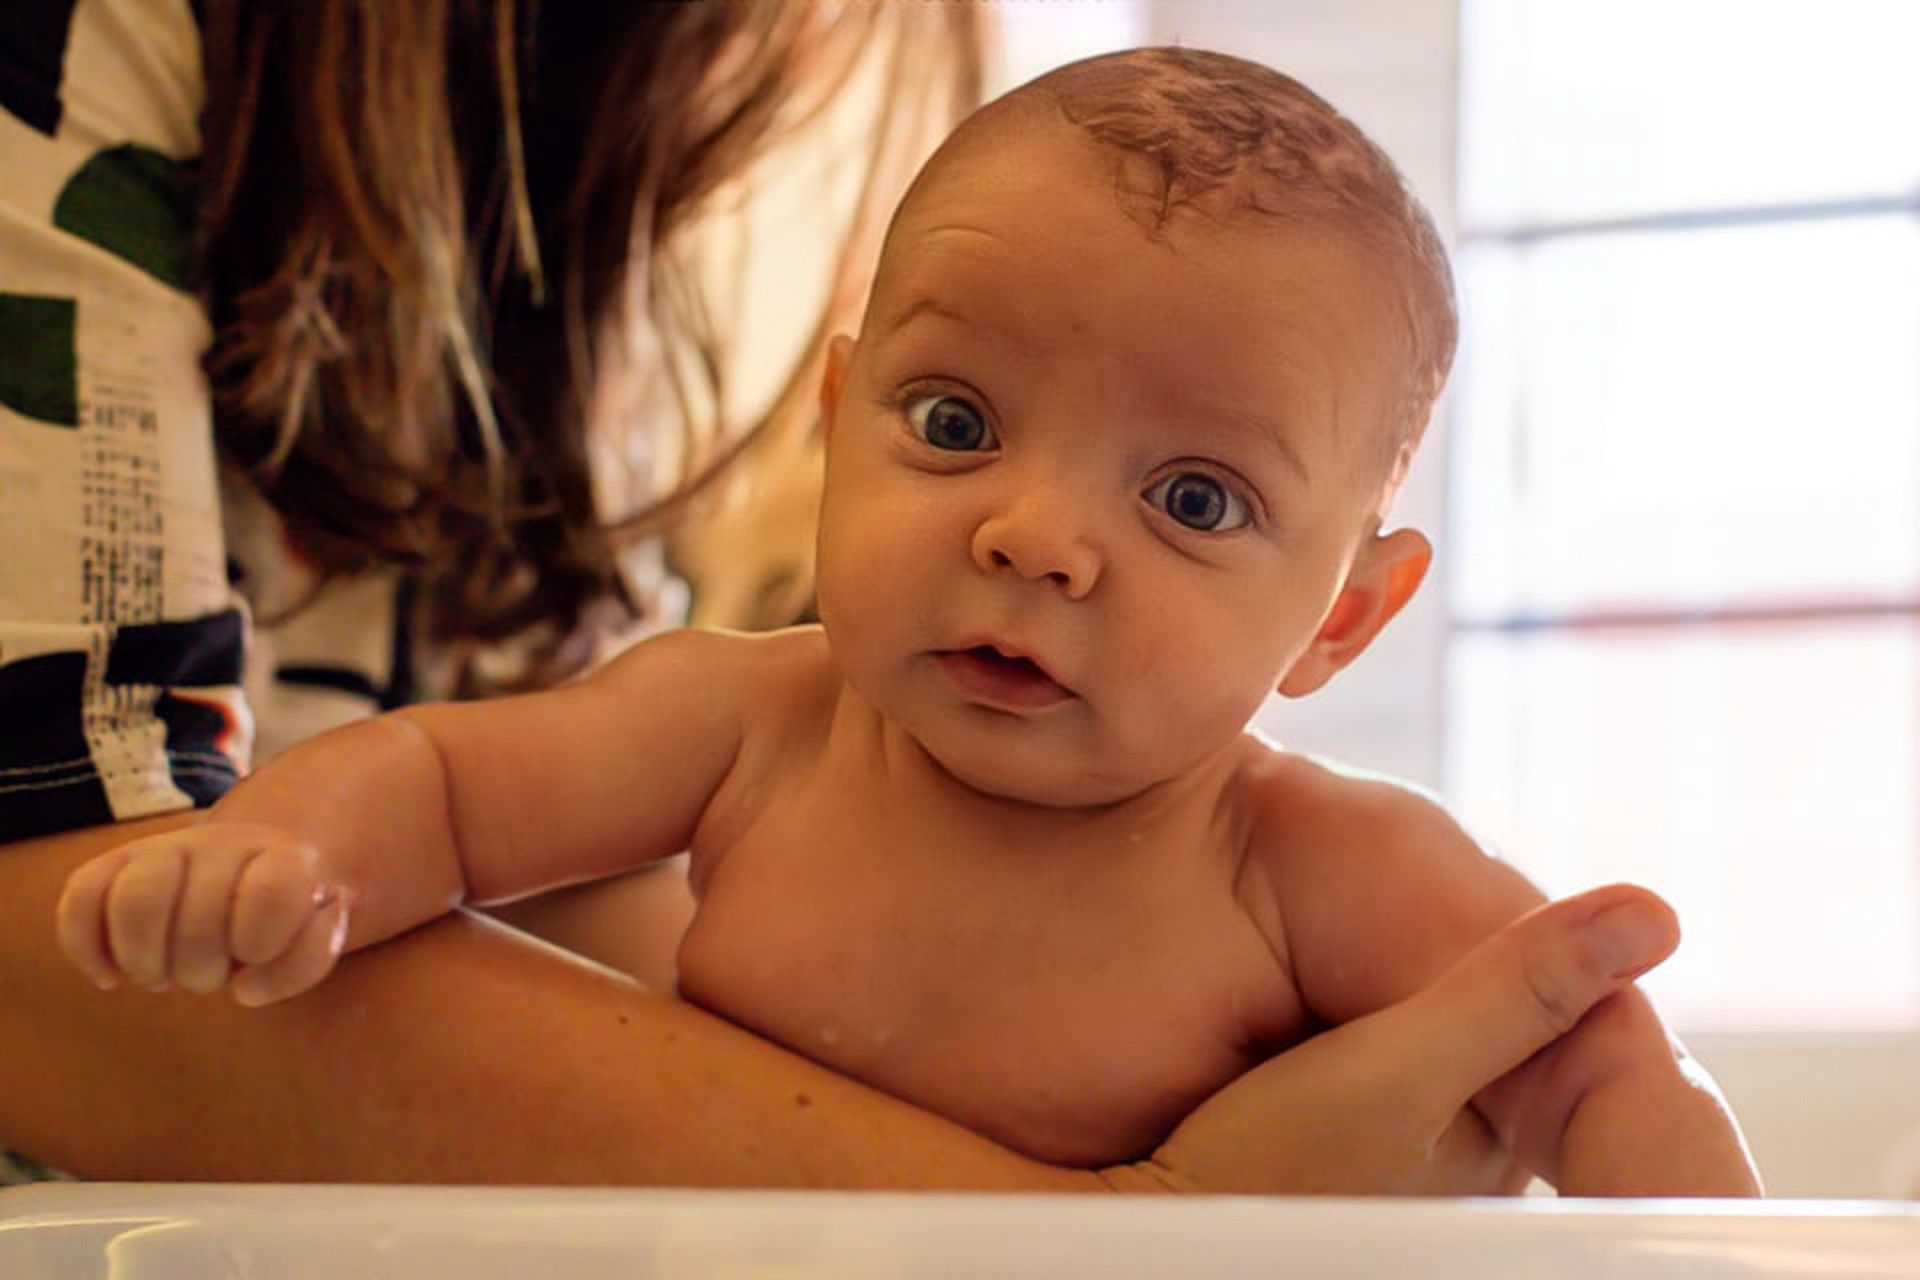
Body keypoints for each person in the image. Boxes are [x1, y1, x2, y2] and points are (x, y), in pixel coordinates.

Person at [56, 48, 1759, 1195]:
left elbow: (1596, 1066)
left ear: (1344, 617)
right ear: (836, 422)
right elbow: (438, 785)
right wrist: (286, 857)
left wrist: (1700, 1240)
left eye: (1194, 500)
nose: (1035, 539)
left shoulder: (1309, 865)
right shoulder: (747, 725)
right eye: (954, 423)